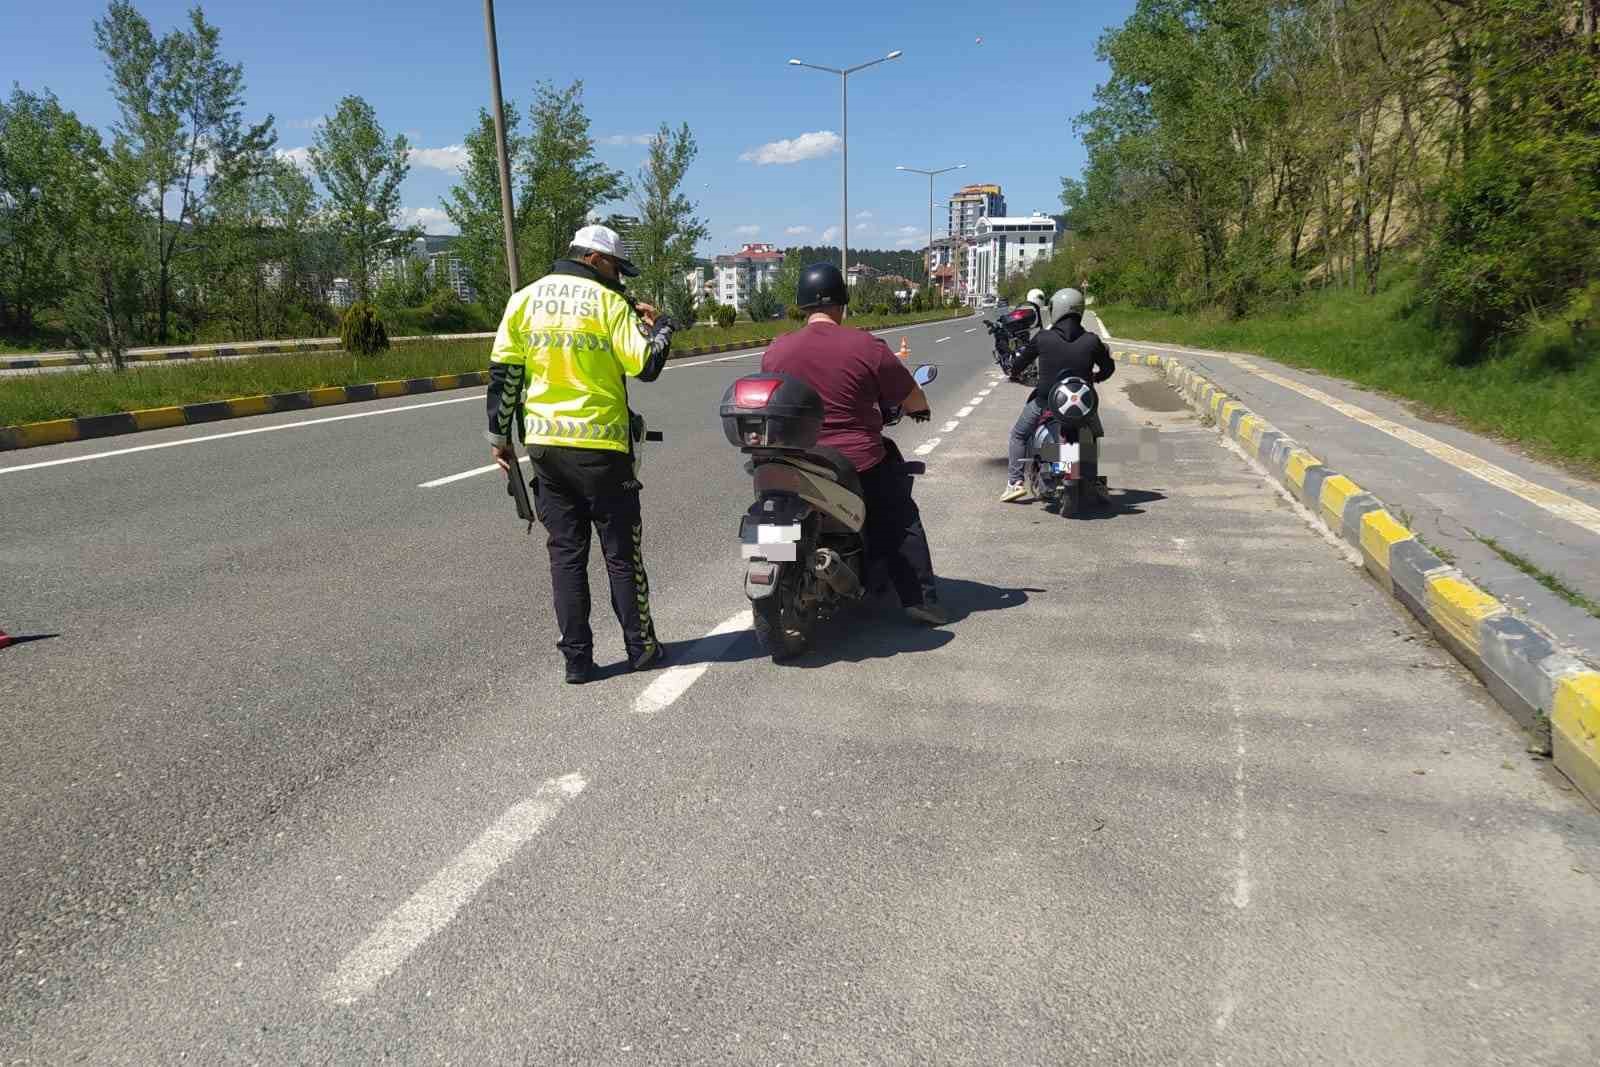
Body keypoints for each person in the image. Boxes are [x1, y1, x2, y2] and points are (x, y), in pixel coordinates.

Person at [486, 224, 677, 684]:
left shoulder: (525, 299)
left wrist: (500, 440)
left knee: (566, 556)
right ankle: (641, 649)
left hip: (546, 450)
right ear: (594, 259)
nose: (619, 279)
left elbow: (505, 375)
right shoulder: (610, 304)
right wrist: (663, 326)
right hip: (603, 451)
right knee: (621, 556)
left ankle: (577, 661)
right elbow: (646, 364)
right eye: (615, 268)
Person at [760, 263, 947, 626]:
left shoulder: (777, 350)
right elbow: (912, 398)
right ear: (842, 303)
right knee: (900, 516)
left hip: (792, 461)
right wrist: (919, 410)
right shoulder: (865, 345)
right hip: (854, 462)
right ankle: (920, 598)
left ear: (801, 304)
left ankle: (780, 566)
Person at [1000, 287, 1115, 502]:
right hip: (1083, 405)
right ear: (1080, 310)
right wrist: (1096, 378)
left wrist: (1015, 375)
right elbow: (1108, 369)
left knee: (1018, 435)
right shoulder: (1092, 340)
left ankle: (1015, 483)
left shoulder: (1043, 338)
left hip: (1046, 402)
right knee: (1097, 435)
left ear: (1056, 310)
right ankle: (1098, 481)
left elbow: (1018, 364)